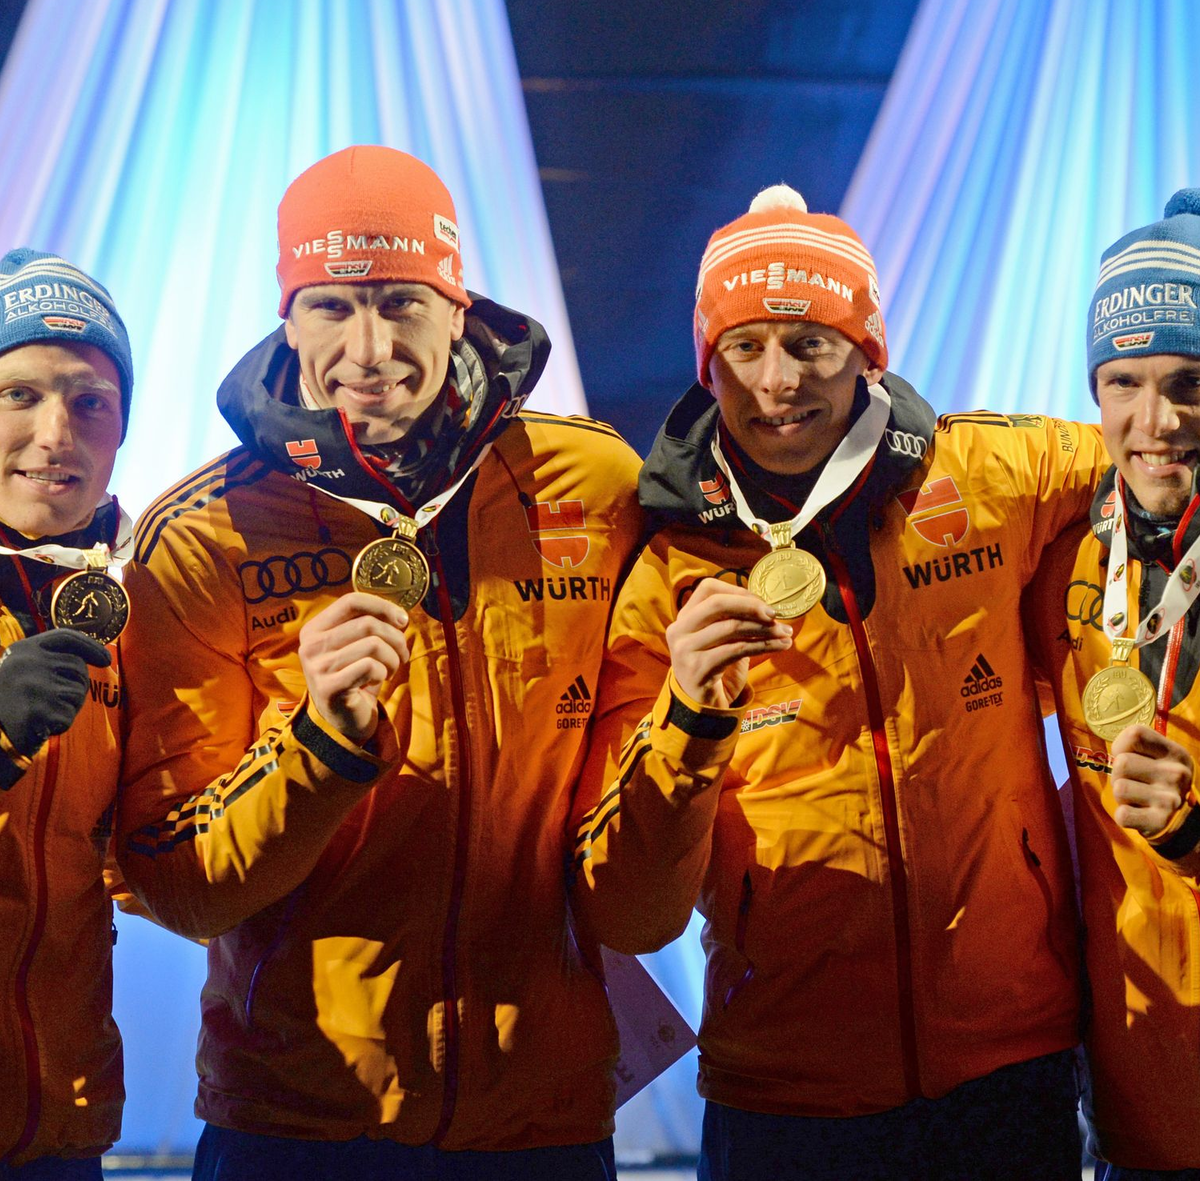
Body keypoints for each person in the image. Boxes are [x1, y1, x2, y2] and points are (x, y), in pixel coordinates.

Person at [115, 146, 642, 1180]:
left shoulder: (594, 483)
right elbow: (178, 885)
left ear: (459, 306)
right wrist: (313, 742)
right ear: (287, 318)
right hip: (300, 1120)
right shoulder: (203, 534)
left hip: (541, 1115)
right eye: (331, 306)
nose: (371, 347)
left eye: (402, 301)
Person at [569, 185, 1111, 1180]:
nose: (776, 383)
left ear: (869, 350)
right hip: (786, 1090)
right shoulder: (664, 573)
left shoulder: (989, 476)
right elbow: (630, 909)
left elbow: (1150, 449)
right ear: (707, 360)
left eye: (810, 342)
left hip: (1008, 1063)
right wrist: (689, 716)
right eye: (744, 347)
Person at [1027, 189, 1200, 1179]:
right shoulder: (1073, 558)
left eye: (1189, 381)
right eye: (1124, 381)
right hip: (1137, 1116)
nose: (1156, 421)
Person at [0, 249, 135, 1177]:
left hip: (62, 1123)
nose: (56, 433)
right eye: (20, 395)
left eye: (89, 401)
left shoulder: (147, 598)